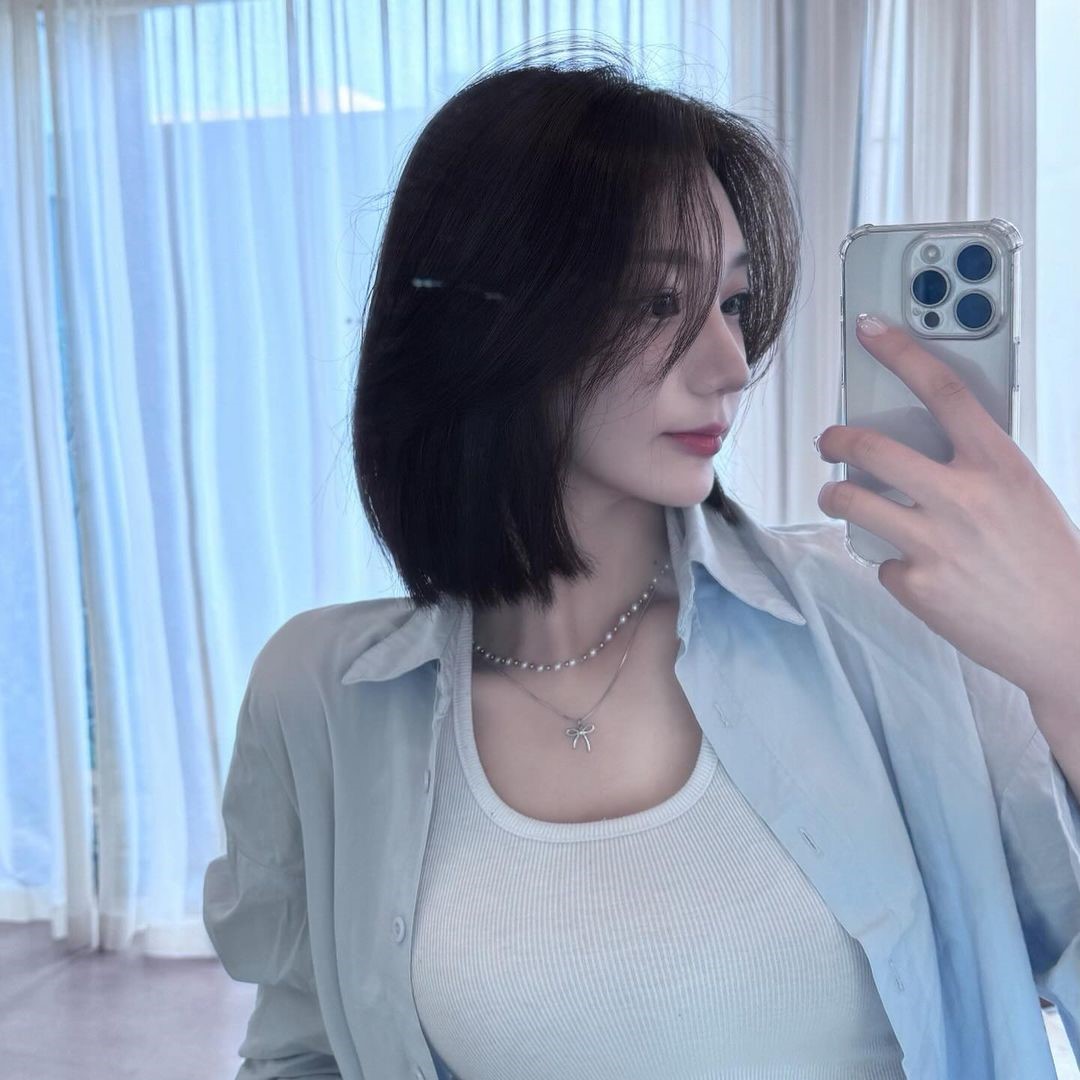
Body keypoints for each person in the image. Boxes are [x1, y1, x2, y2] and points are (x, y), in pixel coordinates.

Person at [203, 41, 1080, 1080]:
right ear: (488, 318)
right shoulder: (321, 696)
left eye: (733, 303)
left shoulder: (894, 628)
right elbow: (302, 1051)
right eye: (659, 303)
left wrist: (1070, 656)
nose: (730, 364)